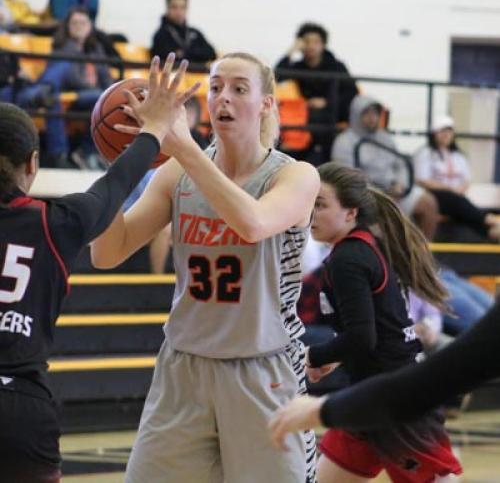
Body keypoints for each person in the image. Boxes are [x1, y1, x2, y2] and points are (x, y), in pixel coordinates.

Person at [91, 52, 320, 483]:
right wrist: (120, 162)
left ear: (267, 104)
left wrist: (183, 146)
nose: (223, 99)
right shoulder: (176, 173)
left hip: (263, 369)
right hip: (184, 368)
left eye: (238, 88)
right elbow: (108, 253)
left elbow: (252, 223)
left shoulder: (294, 176)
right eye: (215, 88)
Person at [0, 55, 199, 481]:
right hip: (20, 410)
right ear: (33, 164)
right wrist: (153, 130)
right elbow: (112, 189)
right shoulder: (54, 221)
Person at [272, 163, 461, 482]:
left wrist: (313, 356)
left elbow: (363, 338)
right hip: (367, 396)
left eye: (320, 205)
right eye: (310, 203)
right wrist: (336, 356)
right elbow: (367, 331)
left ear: (350, 213)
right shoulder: (357, 249)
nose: (311, 213)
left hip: (395, 401)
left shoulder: (348, 259)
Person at [269, 297, 500, 453]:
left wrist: (322, 409)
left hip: (392, 403)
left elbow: (427, 384)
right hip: (372, 403)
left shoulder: (352, 258)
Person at [332, 94, 440, 240]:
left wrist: (400, 185)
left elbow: (400, 164)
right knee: (382, 216)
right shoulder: (344, 141)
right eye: (367, 113)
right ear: (356, 115)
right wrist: (382, 192)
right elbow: (347, 178)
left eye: (376, 113)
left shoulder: (385, 138)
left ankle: (423, 252)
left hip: (395, 191)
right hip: (368, 195)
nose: (373, 117)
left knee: (428, 203)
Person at [38, 7, 113, 169]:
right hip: (69, 96)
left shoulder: (96, 49)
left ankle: (89, 151)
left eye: (83, 22)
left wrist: (111, 92)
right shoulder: (62, 48)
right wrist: (98, 90)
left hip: (92, 97)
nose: (79, 26)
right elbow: (72, 79)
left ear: (90, 26)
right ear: (68, 27)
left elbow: (106, 76)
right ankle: (76, 154)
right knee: (99, 97)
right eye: (74, 23)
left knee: (108, 100)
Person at [276, 22, 358, 164]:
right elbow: (277, 75)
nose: (311, 46)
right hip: (309, 117)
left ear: (323, 44)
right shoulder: (299, 66)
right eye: (306, 42)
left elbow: (352, 93)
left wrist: (326, 102)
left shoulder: (336, 66)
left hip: (334, 114)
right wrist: (292, 50)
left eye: (316, 42)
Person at [414, 115, 500, 241]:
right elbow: (422, 180)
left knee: (461, 206)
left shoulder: (459, 156)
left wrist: (458, 190)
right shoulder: (425, 153)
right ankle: (490, 220)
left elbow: (466, 180)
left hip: (456, 198)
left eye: (449, 131)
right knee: (456, 201)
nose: (446, 135)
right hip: (434, 197)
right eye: (442, 131)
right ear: (434, 134)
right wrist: (449, 189)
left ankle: (492, 232)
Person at [151, 0, 217, 64]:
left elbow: (211, 54)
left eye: (183, 7)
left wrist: (183, 53)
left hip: (197, 75)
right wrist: (196, 55)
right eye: (174, 7)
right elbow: (161, 57)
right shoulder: (160, 35)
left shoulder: (195, 33)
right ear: (167, 8)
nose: (179, 12)